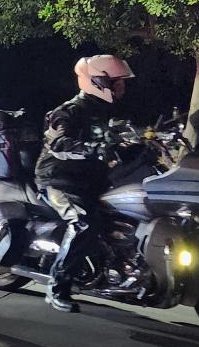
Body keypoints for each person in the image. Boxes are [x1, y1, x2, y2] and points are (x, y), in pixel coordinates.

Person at [35, 54, 135, 313]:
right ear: (99, 82)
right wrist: (95, 148)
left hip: (89, 179)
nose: (122, 88)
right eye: (117, 82)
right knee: (84, 222)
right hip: (59, 179)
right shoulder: (69, 111)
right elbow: (59, 143)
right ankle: (58, 287)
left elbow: (121, 136)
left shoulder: (105, 110)